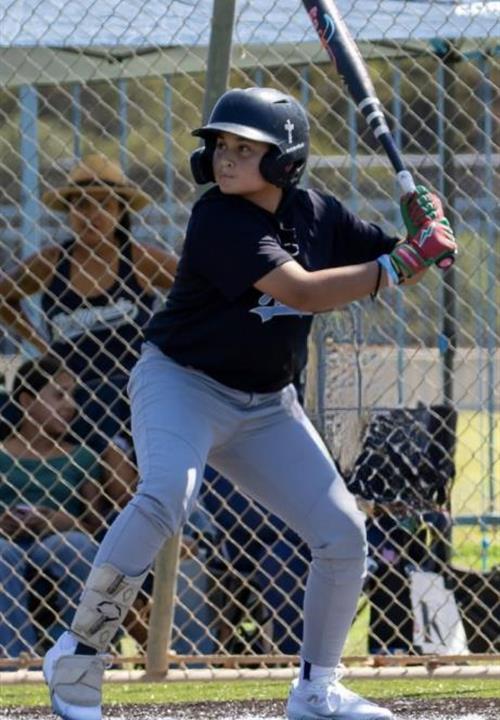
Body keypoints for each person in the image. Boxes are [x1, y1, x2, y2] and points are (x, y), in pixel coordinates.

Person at [42, 87, 457, 720]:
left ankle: (317, 689)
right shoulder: (218, 217)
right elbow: (306, 291)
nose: (226, 158)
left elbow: (403, 261)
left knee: (343, 534)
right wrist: (404, 261)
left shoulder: (320, 212)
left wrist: (427, 228)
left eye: (245, 148)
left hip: (267, 406)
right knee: (166, 495)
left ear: (285, 160)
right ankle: (79, 652)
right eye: (220, 146)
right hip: (183, 384)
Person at [0, 153, 178, 450]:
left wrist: (171, 337)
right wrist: (41, 344)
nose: (92, 214)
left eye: (104, 204)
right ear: (69, 211)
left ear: (120, 211)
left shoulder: (139, 259)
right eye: (81, 204)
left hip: (131, 391)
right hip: (73, 396)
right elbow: (4, 296)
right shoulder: (52, 262)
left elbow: (200, 287)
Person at [0, 355, 135, 661]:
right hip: (6, 540)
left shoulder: (81, 456)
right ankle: (14, 661)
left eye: (72, 396)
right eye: (59, 395)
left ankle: (74, 655)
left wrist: (65, 521)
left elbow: (95, 526)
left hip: (59, 537)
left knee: (76, 546)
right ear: (27, 401)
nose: (71, 405)